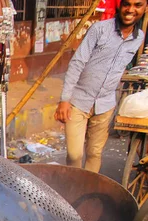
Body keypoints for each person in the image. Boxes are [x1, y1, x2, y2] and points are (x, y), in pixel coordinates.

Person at [54, 0, 146, 173]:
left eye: (137, 5)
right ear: (120, 5)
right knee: (74, 154)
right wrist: (64, 100)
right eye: (127, 4)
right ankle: (72, 190)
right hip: (79, 100)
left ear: (144, 8)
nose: (130, 10)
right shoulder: (100, 29)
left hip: (105, 104)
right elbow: (77, 62)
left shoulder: (138, 37)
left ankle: (87, 194)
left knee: (94, 153)